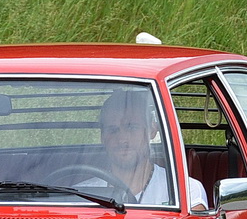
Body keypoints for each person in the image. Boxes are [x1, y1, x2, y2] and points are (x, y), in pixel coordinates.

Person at [78, 89, 208, 208]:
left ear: (152, 130)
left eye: (131, 127)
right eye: (113, 130)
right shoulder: (80, 196)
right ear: (102, 137)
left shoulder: (185, 192)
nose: (122, 139)